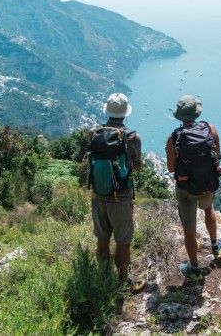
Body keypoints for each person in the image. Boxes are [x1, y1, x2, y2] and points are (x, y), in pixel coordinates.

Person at [165, 95, 221, 281]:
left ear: (180, 116)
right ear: (196, 113)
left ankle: (193, 267)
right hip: (208, 185)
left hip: (186, 189)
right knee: (208, 209)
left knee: (189, 228)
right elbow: (218, 156)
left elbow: (170, 168)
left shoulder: (174, 137)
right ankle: (216, 246)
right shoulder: (210, 129)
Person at [90, 93, 145, 292]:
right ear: (125, 113)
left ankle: (103, 277)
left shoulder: (94, 132)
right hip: (121, 195)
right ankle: (123, 281)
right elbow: (137, 166)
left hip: (98, 192)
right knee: (123, 241)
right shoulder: (132, 137)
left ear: (108, 111)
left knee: (102, 238)